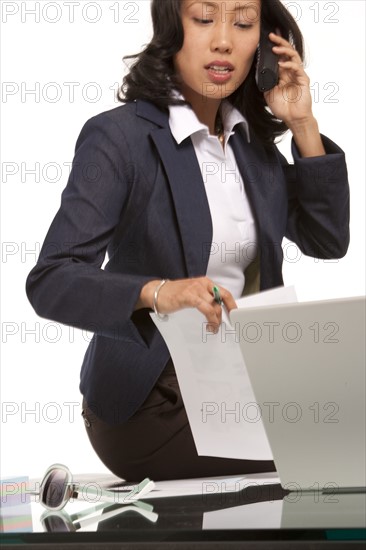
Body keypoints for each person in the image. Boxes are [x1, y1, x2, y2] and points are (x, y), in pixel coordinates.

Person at [26, 0, 350, 481]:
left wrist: (302, 124)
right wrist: (158, 292)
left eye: (243, 24)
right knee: (328, 454)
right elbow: (52, 278)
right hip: (153, 400)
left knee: (344, 432)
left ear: (264, 46)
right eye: (204, 19)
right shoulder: (120, 139)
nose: (223, 40)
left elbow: (327, 239)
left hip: (244, 386)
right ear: (171, 28)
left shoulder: (249, 146)